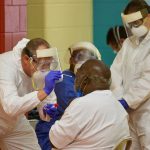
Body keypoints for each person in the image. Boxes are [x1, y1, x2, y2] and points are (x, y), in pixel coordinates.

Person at [49, 59, 130, 150]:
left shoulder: (81, 104)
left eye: (77, 76)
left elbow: (55, 141)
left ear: (84, 80)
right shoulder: (119, 107)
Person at [35, 41, 101, 150]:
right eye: (78, 57)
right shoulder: (64, 82)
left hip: (66, 134)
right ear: (71, 60)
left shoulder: (76, 78)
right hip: (51, 136)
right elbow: (80, 110)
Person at [0, 38, 62, 149]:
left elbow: (47, 100)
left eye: (48, 64)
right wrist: (44, 91)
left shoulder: (38, 69)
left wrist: (47, 110)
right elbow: (10, 107)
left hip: (14, 123)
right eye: (43, 65)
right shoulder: (5, 66)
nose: (46, 69)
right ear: (26, 59)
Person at [110, 0, 150, 149]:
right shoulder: (128, 43)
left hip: (147, 113)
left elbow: (148, 80)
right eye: (131, 25)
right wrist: (116, 98)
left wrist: (127, 101)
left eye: (137, 23)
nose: (134, 28)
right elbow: (115, 72)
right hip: (129, 114)